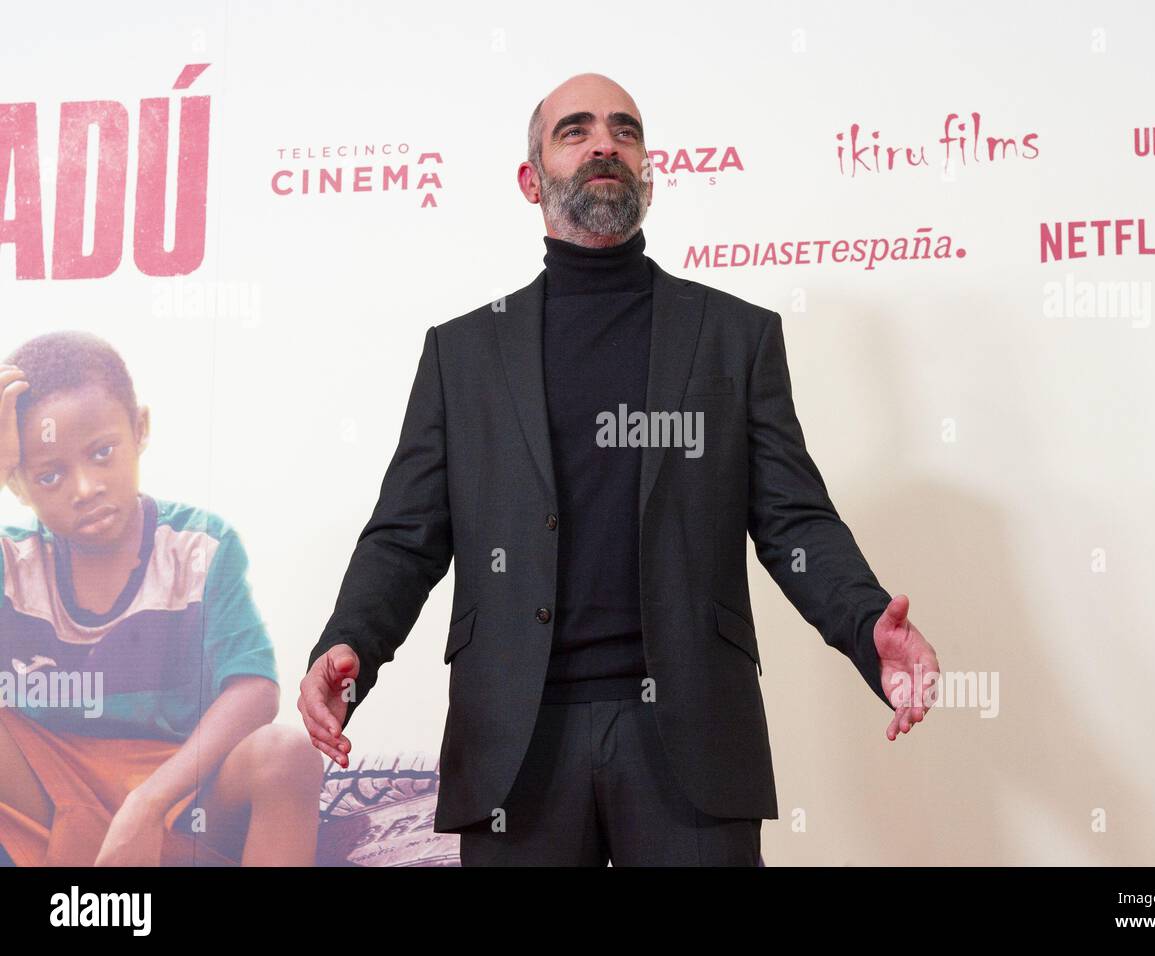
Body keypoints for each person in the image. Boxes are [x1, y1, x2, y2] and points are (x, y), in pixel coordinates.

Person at [299, 73, 941, 866]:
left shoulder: (733, 337)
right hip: (516, 745)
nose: (605, 142)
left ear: (647, 172)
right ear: (531, 179)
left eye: (625, 130)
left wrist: (865, 626)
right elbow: (406, 537)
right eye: (576, 129)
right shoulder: (462, 355)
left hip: (692, 741)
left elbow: (792, 519)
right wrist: (349, 643)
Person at [0, 332, 322, 866]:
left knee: (286, 755)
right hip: (51, 796)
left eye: (102, 453)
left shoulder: (197, 548)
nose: (84, 487)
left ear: (140, 428)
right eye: (49, 475)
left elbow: (254, 689)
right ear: (17, 483)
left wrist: (146, 806)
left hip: (178, 794)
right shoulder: (12, 563)